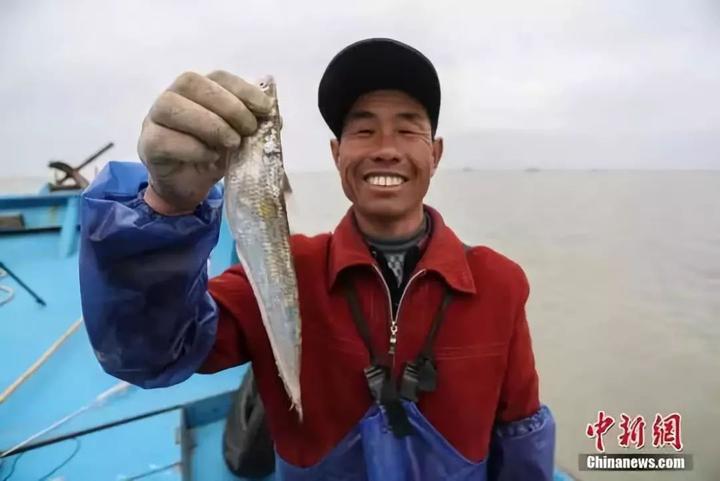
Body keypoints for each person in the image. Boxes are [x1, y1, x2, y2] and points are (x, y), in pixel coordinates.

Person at [79, 38, 556, 480]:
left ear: (435, 154)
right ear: (336, 154)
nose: (386, 149)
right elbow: (151, 354)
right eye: (364, 130)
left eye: (408, 129)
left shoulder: (499, 282)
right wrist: (165, 207)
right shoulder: (291, 267)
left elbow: (521, 432)